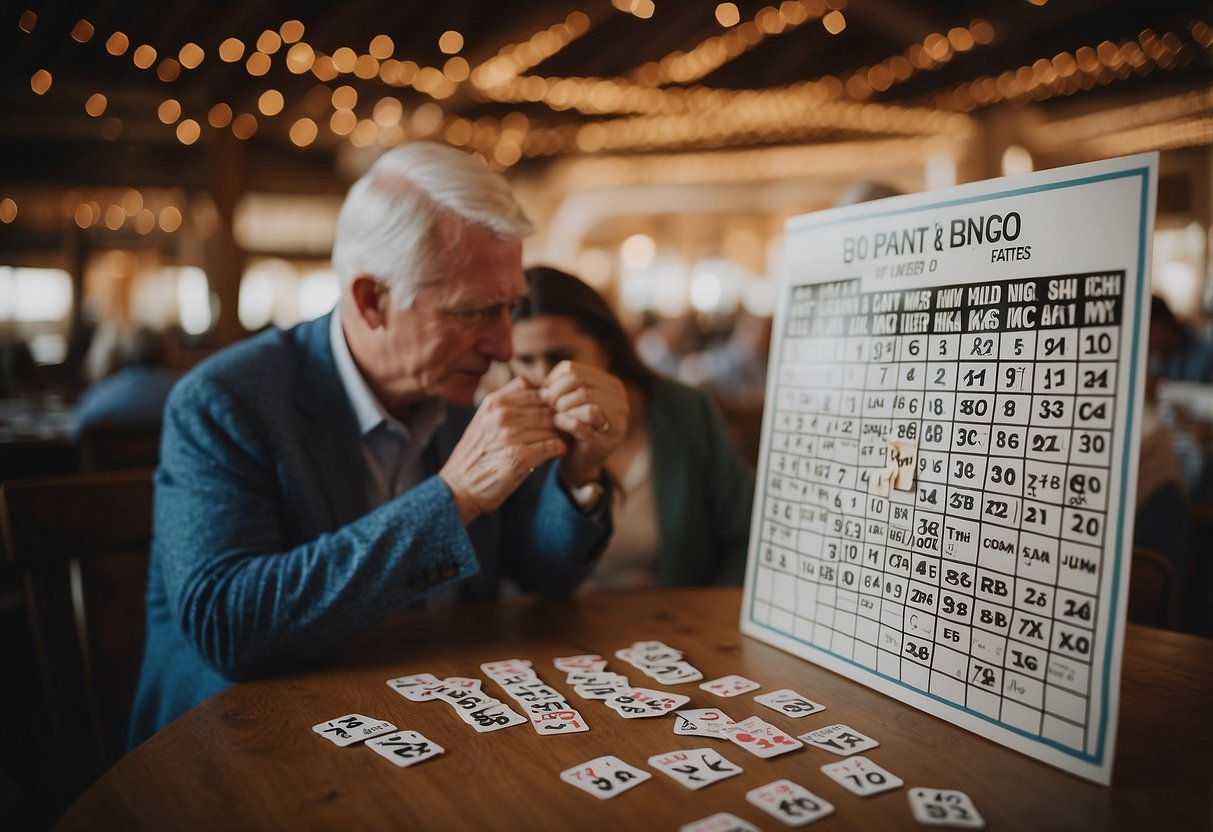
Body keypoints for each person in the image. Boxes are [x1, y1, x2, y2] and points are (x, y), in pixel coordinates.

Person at [128, 143, 628, 745]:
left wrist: (578, 475)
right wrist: (454, 497)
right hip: (248, 747)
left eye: (510, 308)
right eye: (474, 312)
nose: (502, 345)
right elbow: (229, 625)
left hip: (441, 728)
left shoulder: (464, 391)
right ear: (371, 300)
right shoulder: (225, 401)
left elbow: (543, 574)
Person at [510, 266, 755, 589]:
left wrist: (710, 613)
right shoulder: (515, 431)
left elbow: (747, 534)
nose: (544, 377)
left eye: (561, 356)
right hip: (559, 629)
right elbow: (528, 574)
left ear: (605, 347)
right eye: (525, 360)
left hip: (675, 624)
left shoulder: (684, 411)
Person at [68, 326, 179, 439]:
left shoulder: (101, 395)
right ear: (164, 352)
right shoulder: (182, 392)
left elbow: (76, 429)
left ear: (124, 354)